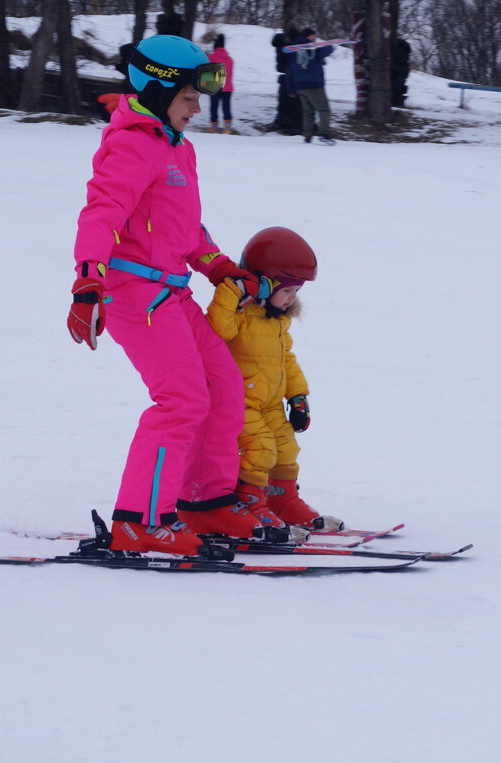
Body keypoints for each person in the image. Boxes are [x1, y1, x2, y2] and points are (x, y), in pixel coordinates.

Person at [67, 35, 290, 557]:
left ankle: (205, 501)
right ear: (158, 90)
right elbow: (101, 214)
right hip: (132, 292)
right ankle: (139, 520)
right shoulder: (129, 144)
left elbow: (187, 230)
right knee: (182, 400)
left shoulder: (178, 148)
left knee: (225, 385)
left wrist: (222, 270)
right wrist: (87, 282)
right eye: (189, 98)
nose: (197, 108)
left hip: (173, 292)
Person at [206, 227, 343, 537]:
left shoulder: (277, 321)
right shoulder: (240, 313)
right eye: (288, 291)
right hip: (241, 403)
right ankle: (250, 505)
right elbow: (218, 329)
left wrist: (298, 396)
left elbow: (287, 361)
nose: (292, 299)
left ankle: (283, 502)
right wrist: (231, 291)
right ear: (264, 284)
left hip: (271, 405)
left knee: (286, 450)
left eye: (296, 293)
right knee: (261, 450)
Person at [285, 28, 335, 144]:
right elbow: (323, 51)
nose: (314, 39)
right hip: (314, 84)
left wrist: (291, 89)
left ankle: (307, 136)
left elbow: (290, 71)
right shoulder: (311, 47)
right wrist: (331, 46)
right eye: (313, 36)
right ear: (308, 36)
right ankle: (324, 133)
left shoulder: (293, 50)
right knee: (324, 109)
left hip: (300, 86)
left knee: (308, 112)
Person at [207, 34, 235, 133]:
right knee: (226, 107)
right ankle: (228, 128)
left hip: (215, 86)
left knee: (214, 106)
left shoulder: (212, 57)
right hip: (228, 87)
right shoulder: (230, 60)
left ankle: (214, 127)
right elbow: (230, 74)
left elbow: (208, 72)